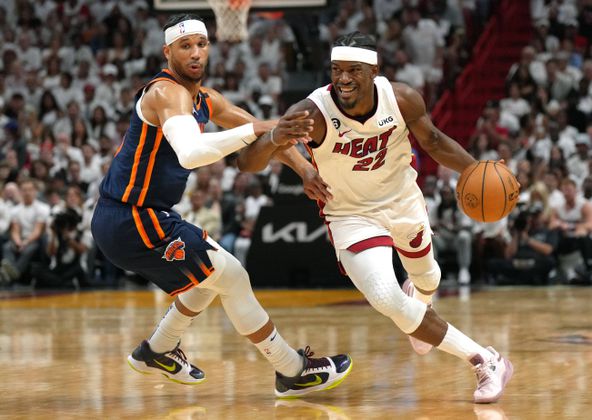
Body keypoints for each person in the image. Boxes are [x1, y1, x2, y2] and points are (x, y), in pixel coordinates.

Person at [238, 31, 513, 404]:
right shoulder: (314, 113)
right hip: (351, 215)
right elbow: (247, 163)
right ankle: (485, 359)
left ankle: (420, 304)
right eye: (337, 69)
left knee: (428, 277)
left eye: (354, 70)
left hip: (403, 201)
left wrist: (477, 170)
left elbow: (433, 141)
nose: (343, 78)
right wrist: (274, 139)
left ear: (374, 71)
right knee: (386, 296)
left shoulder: (401, 99)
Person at [91, 14, 352, 398]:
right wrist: (259, 129)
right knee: (232, 277)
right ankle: (292, 370)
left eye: (201, 44)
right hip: (132, 217)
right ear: (168, 52)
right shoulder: (165, 93)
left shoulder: (205, 99)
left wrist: (303, 169)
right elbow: (192, 152)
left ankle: (157, 351)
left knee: (206, 282)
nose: (196, 53)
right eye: (185, 46)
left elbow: (263, 134)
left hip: (141, 217)